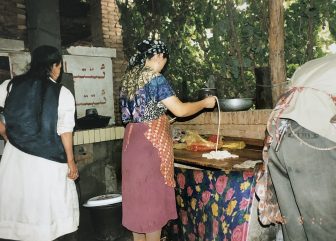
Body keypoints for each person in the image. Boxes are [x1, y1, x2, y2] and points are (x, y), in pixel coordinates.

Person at [119, 39, 216, 241]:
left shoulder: (129, 79)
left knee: (139, 206)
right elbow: (180, 110)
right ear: (158, 56)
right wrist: (205, 103)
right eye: (165, 60)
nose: (164, 64)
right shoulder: (155, 78)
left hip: (131, 144)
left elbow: (140, 113)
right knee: (152, 206)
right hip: (149, 146)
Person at [0, 45, 79, 241]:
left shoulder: (9, 85)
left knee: (21, 209)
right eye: (59, 66)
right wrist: (71, 162)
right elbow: (65, 131)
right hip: (48, 162)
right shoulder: (62, 93)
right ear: (55, 65)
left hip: (14, 159)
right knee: (47, 213)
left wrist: (5, 134)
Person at [257, 54, 336, 241]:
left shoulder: (316, 63)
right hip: (311, 140)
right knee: (323, 228)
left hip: (280, 136)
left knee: (294, 225)